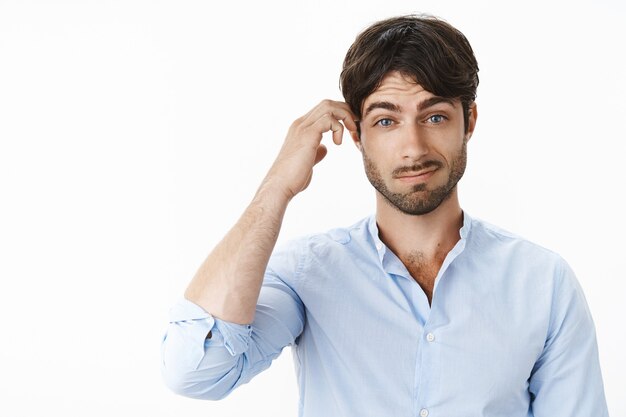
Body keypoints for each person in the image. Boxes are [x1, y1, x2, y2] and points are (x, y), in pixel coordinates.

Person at [161, 15, 608, 416]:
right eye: (386, 121)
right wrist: (276, 187)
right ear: (356, 133)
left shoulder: (543, 283)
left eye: (434, 117)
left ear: (468, 121)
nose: (413, 147)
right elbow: (194, 370)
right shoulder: (307, 273)